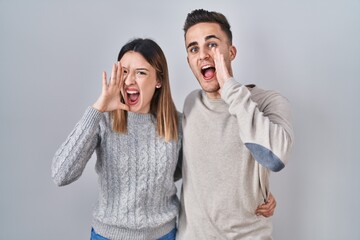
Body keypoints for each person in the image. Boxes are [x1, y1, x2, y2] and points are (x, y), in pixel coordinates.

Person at [177, 9, 294, 239]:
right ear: (189, 60)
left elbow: (276, 157)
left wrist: (228, 86)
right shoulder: (191, 103)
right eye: (194, 49)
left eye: (211, 44)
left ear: (231, 52)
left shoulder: (268, 102)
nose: (202, 55)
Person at [51, 38, 182, 240]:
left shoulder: (176, 123)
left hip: (163, 235)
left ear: (159, 80)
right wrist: (97, 109)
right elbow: (61, 174)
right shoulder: (103, 120)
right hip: (109, 236)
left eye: (141, 72)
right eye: (124, 72)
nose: (129, 80)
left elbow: (182, 173)